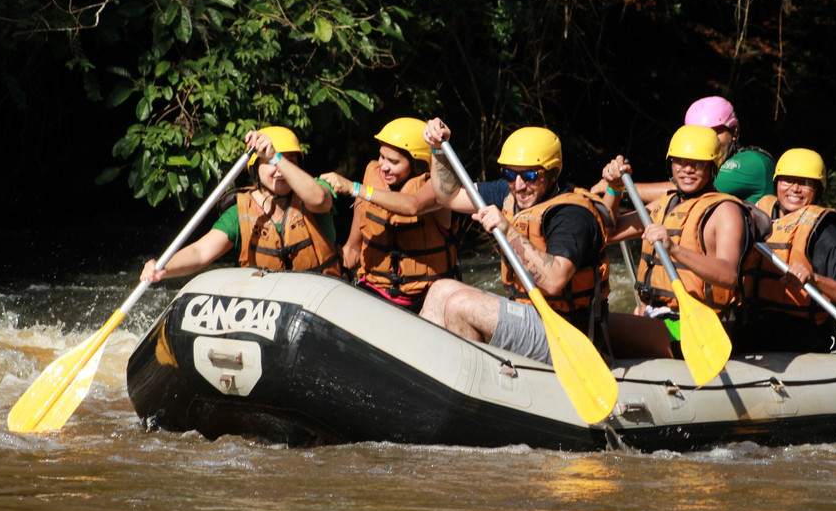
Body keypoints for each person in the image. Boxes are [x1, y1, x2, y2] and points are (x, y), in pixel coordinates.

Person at [418, 119, 612, 364]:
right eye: (510, 174)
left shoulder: (571, 215)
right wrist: (438, 149)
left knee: (461, 306)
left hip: (567, 333)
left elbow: (554, 281)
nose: (519, 185)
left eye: (530, 175)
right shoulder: (509, 192)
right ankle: (427, 370)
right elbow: (450, 197)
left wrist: (508, 231)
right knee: (439, 290)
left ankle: (475, 390)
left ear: (553, 173)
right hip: (529, 315)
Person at [601, 125, 761, 359]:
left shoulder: (725, 211)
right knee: (597, 317)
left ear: (712, 167)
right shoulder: (663, 205)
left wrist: (673, 248)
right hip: (660, 318)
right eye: (680, 162)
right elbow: (606, 233)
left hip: (700, 328)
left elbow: (728, 276)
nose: (687, 169)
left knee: (601, 325)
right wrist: (614, 190)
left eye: (697, 163)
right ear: (671, 165)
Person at [140, 126, 343, 283]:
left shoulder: (316, 190)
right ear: (256, 168)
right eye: (271, 164)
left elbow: (318, 199)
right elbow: (200, 252)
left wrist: (275, 157)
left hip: (318, 299)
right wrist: (165, 267)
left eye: (289, 161)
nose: (280, 170)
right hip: (271, 306)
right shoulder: (241, 211)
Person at [319, 117, 459, 312]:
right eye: (382, 157)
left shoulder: (439, 189)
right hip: (375, 293)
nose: (383, 167)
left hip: (425, 300)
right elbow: (353, 248)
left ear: (418, 164)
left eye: (393, 161)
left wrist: (354, 188)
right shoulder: (371, 184)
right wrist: (330, 276)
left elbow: (413, 205)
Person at [740, 148, 836, 352]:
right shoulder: (756, 215)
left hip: (801, 337)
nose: (795, 189)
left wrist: (814, 280)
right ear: (777, 184)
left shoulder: (827, 230)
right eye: (788, 180)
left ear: (818, 189)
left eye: (805, 183)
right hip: (751, 327)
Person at [606, 95, 775, 208]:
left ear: (734, 132)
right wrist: (614, 190)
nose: (707, 141)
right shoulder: (685, 187)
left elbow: (685, 189)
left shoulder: (753, 163)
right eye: (698, 133)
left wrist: (623, 188)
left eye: (715, 132)